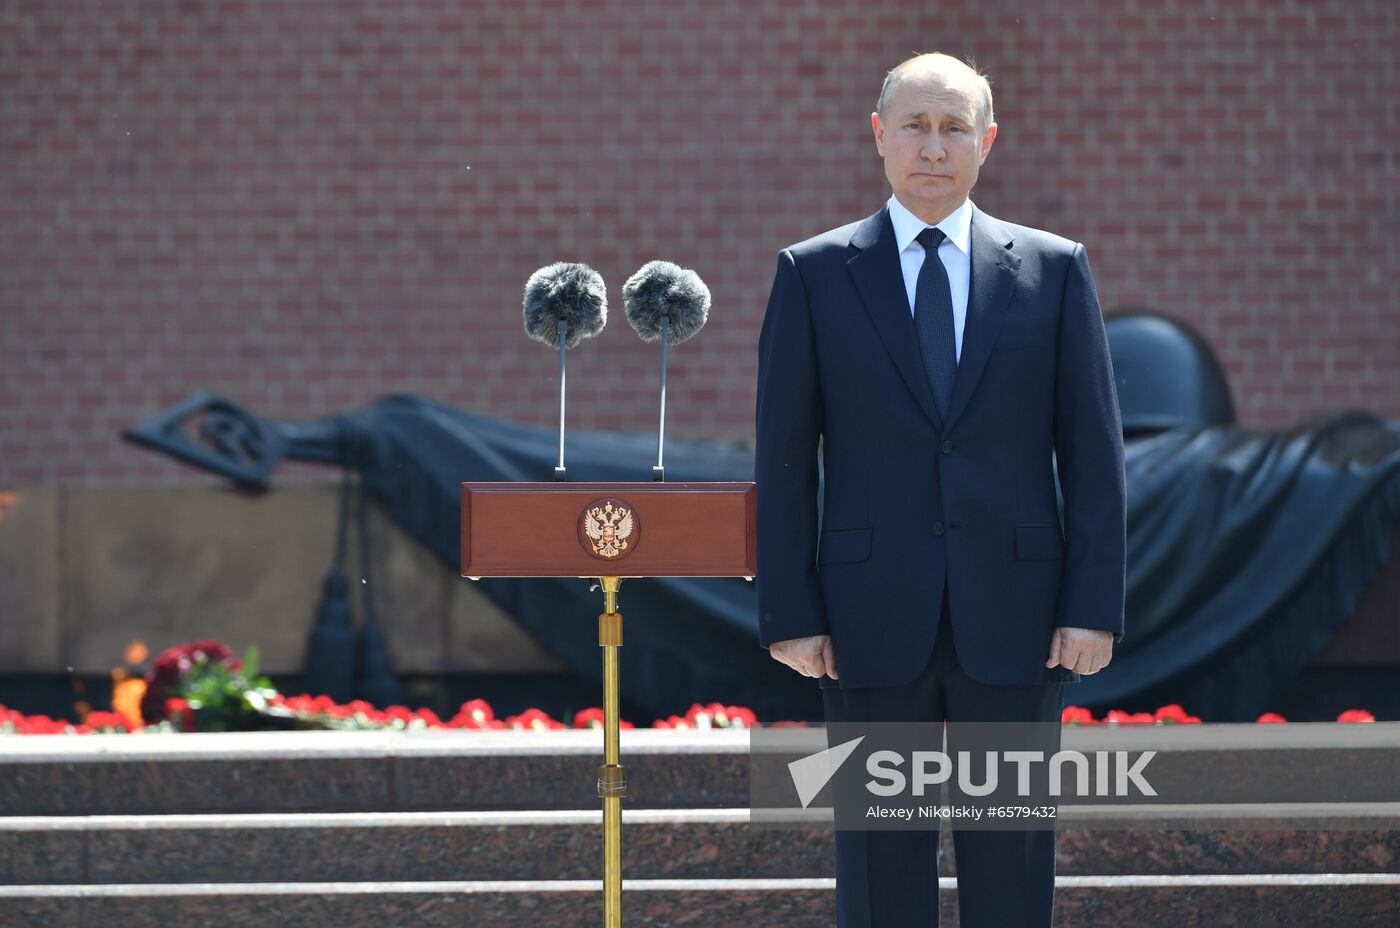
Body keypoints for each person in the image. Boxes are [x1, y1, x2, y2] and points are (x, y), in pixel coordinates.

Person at [754, 52, 1126, 927]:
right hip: (863, 619)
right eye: (914, 126)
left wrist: (1093, 605)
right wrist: (792, 612)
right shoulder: (813, 275)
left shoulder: (1053, 270)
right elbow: (780, 455)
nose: (933, 146)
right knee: (881, 878)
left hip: (1024, 617)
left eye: (954, 127)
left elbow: (1095, 452)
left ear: (987, 142)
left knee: (1012, 873)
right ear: (877, 136)